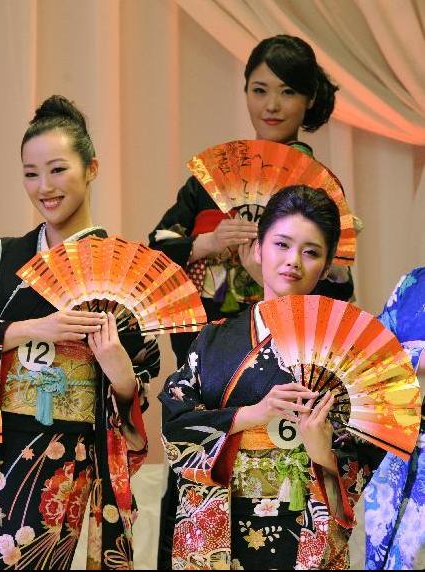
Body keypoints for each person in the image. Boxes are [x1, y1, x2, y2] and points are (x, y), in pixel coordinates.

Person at [149, 35, 355, 567]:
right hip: (221, 346)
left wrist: (278, 274)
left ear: (309, 101)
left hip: (299, 353)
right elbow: (158, 251)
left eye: (287, 92)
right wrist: (209, 243)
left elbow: (338, 291)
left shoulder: (321, 188)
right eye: (259, 90)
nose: (271, 105)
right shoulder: (214, 177)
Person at [0, 95, 160, 570]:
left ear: (92, 167)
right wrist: (34, 328)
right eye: (31, 173)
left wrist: (121, 375)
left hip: (64, 455)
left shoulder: (123, 269)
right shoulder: (0, 256)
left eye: (58, 170)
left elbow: (139, 378)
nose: (44, 187)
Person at [159, 186, 383, 569]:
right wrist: (251, 415)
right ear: (258, 249)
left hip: (303, 521)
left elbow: (370, 446)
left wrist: (323, 452)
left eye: (311, 252)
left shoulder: (346, 351)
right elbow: (175, 418)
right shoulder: (215, 338)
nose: (293, 261)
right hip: (219, 519)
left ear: (327, 266)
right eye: (281, 244)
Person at [364, 266, 425, 570]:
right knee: (387, 548)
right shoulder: (413, 283)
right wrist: (414, 359)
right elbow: (371, 348)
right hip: (400, 437)